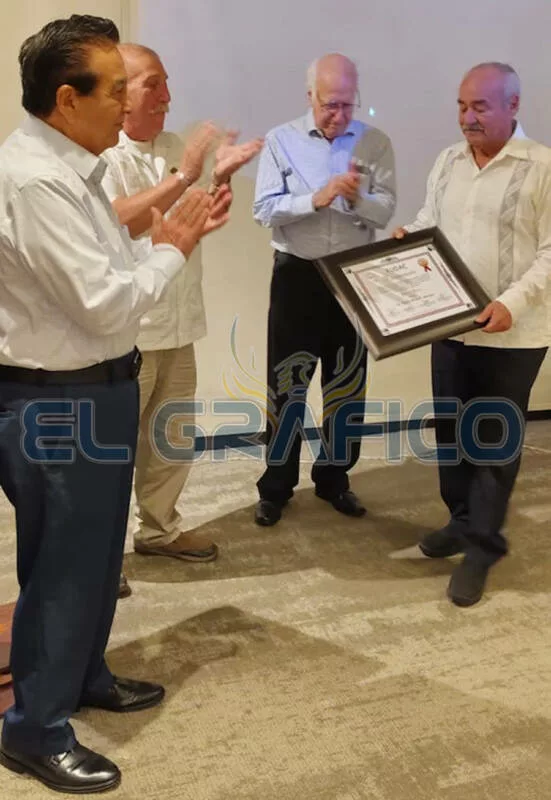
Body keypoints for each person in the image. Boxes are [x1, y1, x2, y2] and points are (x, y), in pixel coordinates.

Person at [0, 15, 229, 793]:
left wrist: (160, 243)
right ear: (67, 99)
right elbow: (103, 305)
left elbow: (104, 270)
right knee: (64, 567)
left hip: (93, 387)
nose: (130, 101)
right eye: (117, 89)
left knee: (95, 556)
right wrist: (173, 248)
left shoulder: (75, 167)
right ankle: (34, 729)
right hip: (56, 399)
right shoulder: (36, 179)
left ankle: (83, 673)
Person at [102, 44, 263, 597]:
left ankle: (159, 530)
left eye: (167, 83)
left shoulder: (171, 147)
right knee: (114, 451)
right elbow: (117, 222)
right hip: (128, 331)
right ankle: (100, 557)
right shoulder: (102, 153)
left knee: (170, 440)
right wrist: (190, 174)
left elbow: (190, 219)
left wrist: (219, 183)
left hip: (179, 322)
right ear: (120, 91)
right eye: (153, 84)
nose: (167, 96)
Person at [393, 62, 551, 607]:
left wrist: (512, 302)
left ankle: (483, 547)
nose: (467, 118)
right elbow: (430, 220)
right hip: (450, 326)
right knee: (452, 433)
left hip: (513, 334)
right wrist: (406, 238)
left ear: (513, 105)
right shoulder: (448, 161)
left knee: (492, 443)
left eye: (480, 107)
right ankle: (461, 522)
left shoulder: (542, 167)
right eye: (462, 106)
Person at [253, 53, 396, 526]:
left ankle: (334, 479)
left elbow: (385, 211)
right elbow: (263, 209)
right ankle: (276, 486)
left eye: (347, 105)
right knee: (287, 385)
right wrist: (315, 199)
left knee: (347, 385)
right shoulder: (281, 140)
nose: (339, 115)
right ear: (310, 96)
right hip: (297, 274)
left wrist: (358, 197)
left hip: (353, 275)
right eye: (329, 105)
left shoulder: (375, 143)